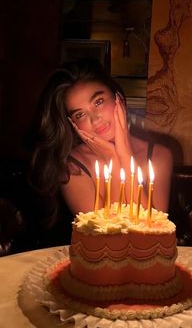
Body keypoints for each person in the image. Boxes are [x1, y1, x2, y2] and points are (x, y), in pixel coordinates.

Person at [30, 57, 173, 216]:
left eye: (98, 102)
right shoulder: (72, 168)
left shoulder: (159, 155)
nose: (95, 119)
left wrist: (124, 153)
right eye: (81, 114)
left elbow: (153, 231)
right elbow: (110, 235)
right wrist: (113, 158)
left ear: (117, 97)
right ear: (74, 124)